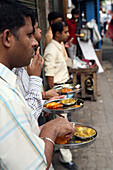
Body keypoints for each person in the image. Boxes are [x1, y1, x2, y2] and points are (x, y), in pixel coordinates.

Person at [0, 1, 75, 169]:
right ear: (7, 38)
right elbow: (37, 167)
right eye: (29, 35)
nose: (35, 42)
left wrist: (43, 127)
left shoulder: (8, 83)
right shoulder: (5, 98)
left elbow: (19, 132)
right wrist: (51, 129)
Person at [44, 21, 77, 170]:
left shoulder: (59, 46)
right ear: (57, 34)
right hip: (58, 91)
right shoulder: (51, 49)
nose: (68, 34)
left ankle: (61, 149)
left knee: (65, 120)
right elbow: (49, 76)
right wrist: (54, 98)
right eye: (65, 32)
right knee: (62, 123)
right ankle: (65, 158)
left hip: (64, 88)